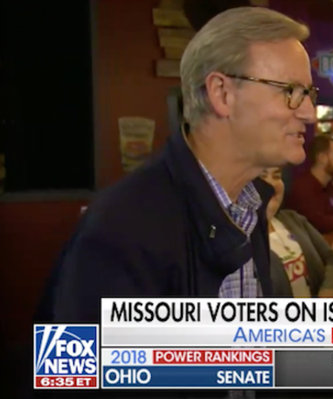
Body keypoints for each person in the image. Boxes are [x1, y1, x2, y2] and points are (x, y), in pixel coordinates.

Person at [35, 7, 317, 323]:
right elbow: (70, 369)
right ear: (222, 93)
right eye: (290, 91)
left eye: (308, 93)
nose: (309, 113)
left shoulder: (252, 206)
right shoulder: (122, 226)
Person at [261, 167, 333, 298]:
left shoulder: (294, 219)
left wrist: (327, 291)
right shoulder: (238, 239)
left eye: (276, 176)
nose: (272, 183)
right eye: (261, 177)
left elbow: (331, 259)